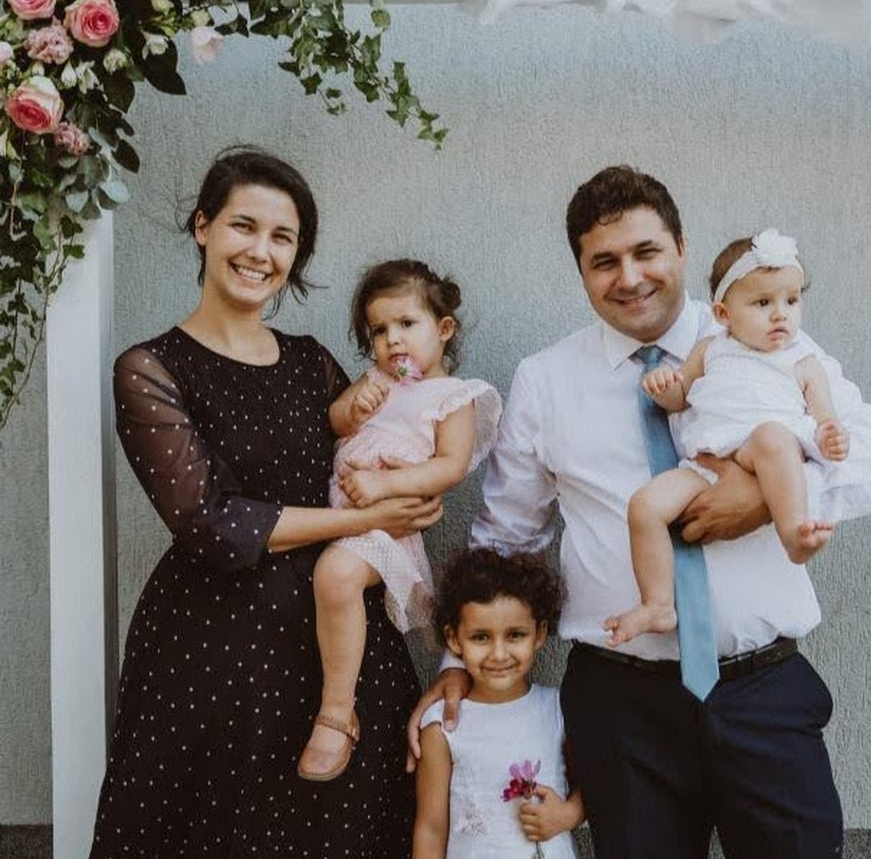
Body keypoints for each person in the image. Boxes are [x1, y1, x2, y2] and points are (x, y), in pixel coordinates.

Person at [409, 165, 871, 859]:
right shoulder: (546, 380)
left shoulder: (770, 335)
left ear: (682, 249)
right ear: (581, 271)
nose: (630, 277)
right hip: (622, 706)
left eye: (646, 252)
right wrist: (455, 661)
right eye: (604, 261)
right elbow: (507, 537)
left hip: (761, 687)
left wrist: (763, 501)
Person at [90, 148, 444, 858]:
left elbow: (387, 446)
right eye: (243, 226)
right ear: (203, 227)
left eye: (282, 237)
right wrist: (371, 519)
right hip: (212, 659)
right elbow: (212, 523)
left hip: (338, 652)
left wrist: (418, 478)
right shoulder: (151, 368)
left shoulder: (313, 362)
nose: (261, 252)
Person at [297, 259, 501, 781]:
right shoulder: (375, 380)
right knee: (321, 578)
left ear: (443, 328)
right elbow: (333, 421)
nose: (392, 340)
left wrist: (385, 485)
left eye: (407, 324)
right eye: (379, 331)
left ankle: (337, 712)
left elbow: (449, 466)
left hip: (383, 525)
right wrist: (353, 408)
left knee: (335, 575)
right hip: (339, 514)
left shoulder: (453, 397)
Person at [604, 229, 850, 646]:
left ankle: (795, 533)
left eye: (791, 301)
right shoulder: (710, 349)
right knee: (644, 505)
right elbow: (680, 398)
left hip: (761, 453)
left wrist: (831, 438)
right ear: (723, 313)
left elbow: (826, 419)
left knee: (773, 436)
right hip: (705, 460)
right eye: (763, 303)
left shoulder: (803, 362)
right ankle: (658, 603)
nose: (780, 315)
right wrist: (664, 387)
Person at [413, 548, 583, 858]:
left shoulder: (557, 709)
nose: (499, 654)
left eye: (515, 635)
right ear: (454, 639)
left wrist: (569, 815)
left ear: (539, 634)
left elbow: (597, 785)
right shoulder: (442, 726)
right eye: (481, 637)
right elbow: (431, 828)